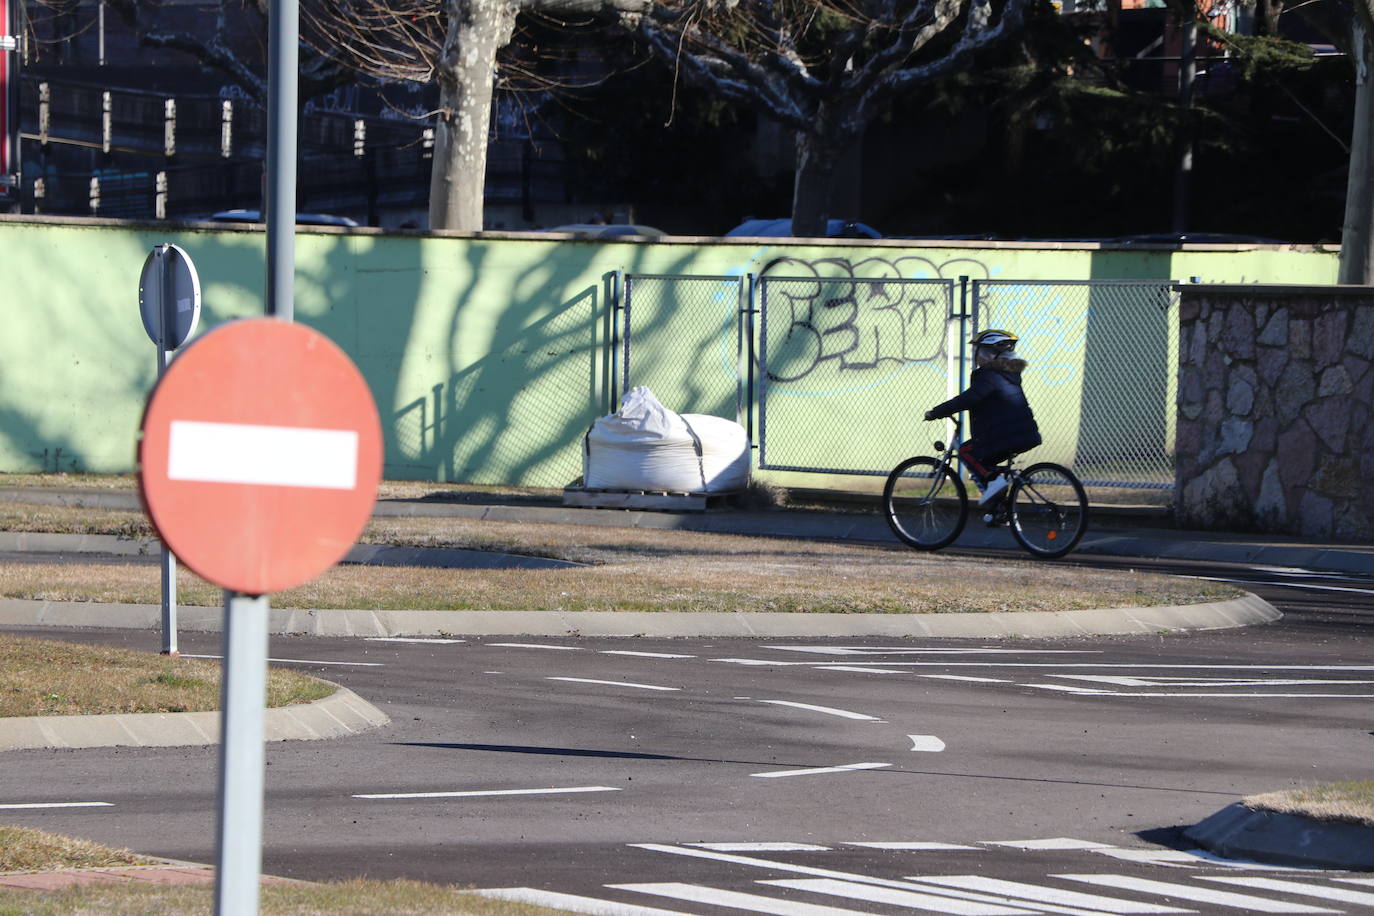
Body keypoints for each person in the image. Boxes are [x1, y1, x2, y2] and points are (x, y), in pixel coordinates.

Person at [923, 329, 1042, 506]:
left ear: (992, 354)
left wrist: (937, 411)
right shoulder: (1008, 373)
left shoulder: (990, 375)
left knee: (966, 451)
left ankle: (995, 485)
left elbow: (970, 398)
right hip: (1022, 433)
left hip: (1007, 434)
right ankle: (999, 506)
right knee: (984, 457)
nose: (977, 356)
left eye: (981, 351)